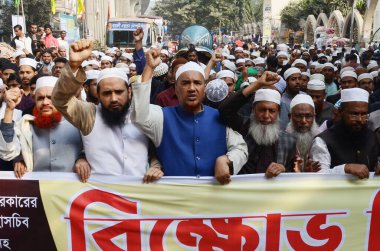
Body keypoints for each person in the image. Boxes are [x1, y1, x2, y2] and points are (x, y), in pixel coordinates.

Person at [52, 39, 162, 183]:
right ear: (98, 94)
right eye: (106, 93)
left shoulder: (144, 115)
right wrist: (73, 65)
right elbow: (61, 100)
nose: (114, 98)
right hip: (101, 199)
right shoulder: (89, 115)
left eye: (119, 92)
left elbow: (154, 152)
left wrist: (156, 166)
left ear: (129, 92)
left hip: (139, 197)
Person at [131, 49, 248, 185]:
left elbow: (240, 148)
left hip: (213, 200)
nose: (192, 88)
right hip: (175, 200)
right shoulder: (162, 117)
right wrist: (149, 68)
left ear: (204, 88)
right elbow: (140, 115)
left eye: (197, 83)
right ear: (175, 89)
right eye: (185, 83)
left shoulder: (218, 116)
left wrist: (227, 160)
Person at [0, 76, 85, 178]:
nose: (45, 102)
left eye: (51, 97)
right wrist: (9, 109)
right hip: (37, 188)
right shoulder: (26, 124)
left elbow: (93, 150)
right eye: (40, 98)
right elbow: (8, 152)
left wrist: (83, 158)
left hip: (73, 189)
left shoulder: (77, 123)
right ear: (34, 100)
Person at [219, 74, 297, 177]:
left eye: (272, 111)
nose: (266, 116)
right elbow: (225, 110)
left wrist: (283, 169)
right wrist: (258, 84)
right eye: (262, 110)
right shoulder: (243, 127)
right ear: (253, 110)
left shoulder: (289, 141)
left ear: (278, 112)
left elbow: (291, 174)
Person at [310, 88, 380, 179]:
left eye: (363, 114)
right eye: (354, 114)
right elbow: (320, 176)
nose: (359, 119)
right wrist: (345, 168)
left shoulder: (371, 136)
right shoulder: (322, 141)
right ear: (340, 112)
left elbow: (376, 163)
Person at [286, 94, 320, 172]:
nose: (303, 121)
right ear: (289, 117)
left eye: (308, 116)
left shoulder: (322, 140)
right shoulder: (282, 141)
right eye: (298, 116)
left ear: (314, 117)